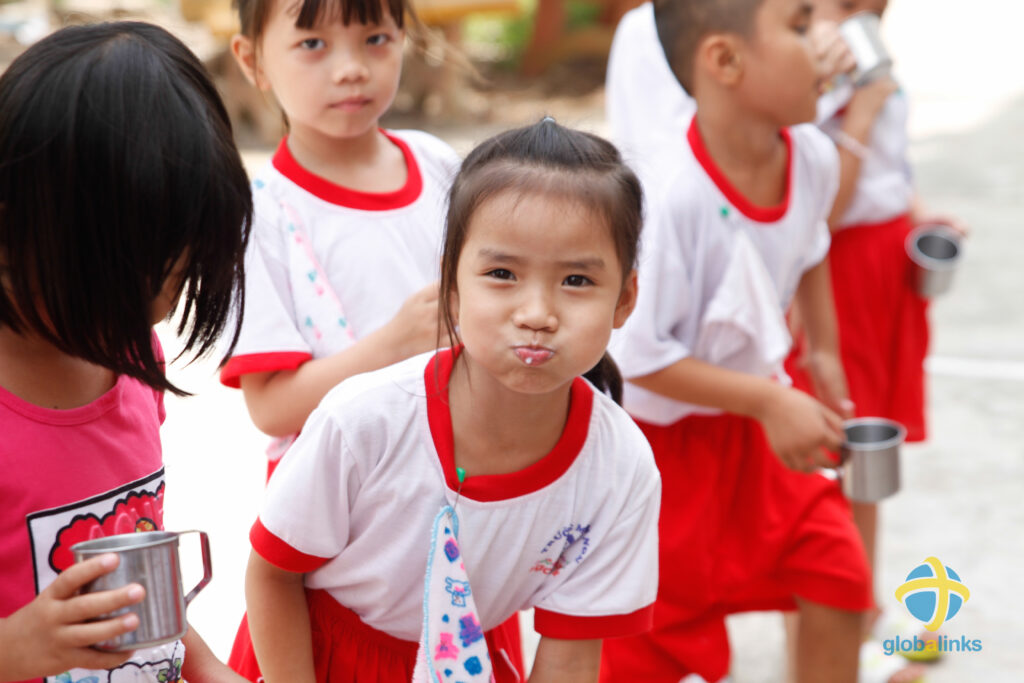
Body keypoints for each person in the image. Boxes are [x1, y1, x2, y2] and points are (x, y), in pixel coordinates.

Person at [241, 119, 661, 682]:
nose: (537, 314)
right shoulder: (365, 420)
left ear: (625, 298)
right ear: (452, 287)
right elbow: (273, 573)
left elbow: (571, 655)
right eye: (502, 273)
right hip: (310, 658)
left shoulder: (621, 467)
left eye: (576, 281)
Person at [601, 1, 874, 681]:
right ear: (725, 60)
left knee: (839, 576)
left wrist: (823, 351)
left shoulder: (811, 155)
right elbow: (637, 354)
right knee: (652, 639)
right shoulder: (669, 193)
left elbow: (810, 246)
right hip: (665, 454)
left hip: (756, 430)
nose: (827, 39)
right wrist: (768, 400)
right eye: (802, 26)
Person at [0, 21, 252, 683]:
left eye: (183, 274)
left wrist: (209, 668)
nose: (158, 310)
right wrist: (15, 647)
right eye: (132, 280)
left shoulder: (134, 357)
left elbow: (135, 586)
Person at [785, 0, 967, 676]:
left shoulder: (874, 71)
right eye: (845, 6)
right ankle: (837, 625)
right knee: (837, 453)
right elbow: (820, 211)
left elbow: (894, 170)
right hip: (841, 274)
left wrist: (921, 216)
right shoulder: (810, 84)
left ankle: (862, 611)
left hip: (887, 268)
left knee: (871, 456)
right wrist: (858, 112)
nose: (860, 19)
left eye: (874, 7)